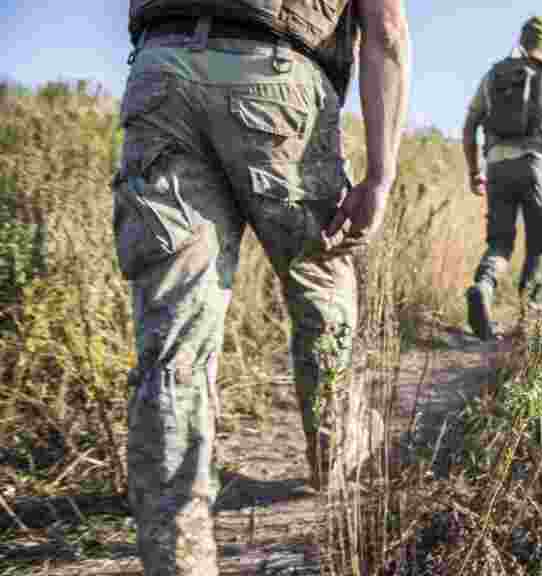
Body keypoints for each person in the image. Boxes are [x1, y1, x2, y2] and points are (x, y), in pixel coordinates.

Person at [113, 0, 409, 573]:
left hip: (160, 70)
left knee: (173, 339)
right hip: (275, 78)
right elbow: (387, 29)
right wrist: (380, 175)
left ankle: (178, 558)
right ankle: (334, 455)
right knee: (320, 279)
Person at [462, 15, 542, 341]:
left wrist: (475, 172)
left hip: (497, 166)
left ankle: (483, 287)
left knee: (499, 242)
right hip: (536, 165)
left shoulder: (493, 75)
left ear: (521, 41)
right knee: (540, 245)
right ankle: (528, 317)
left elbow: (469, 125)